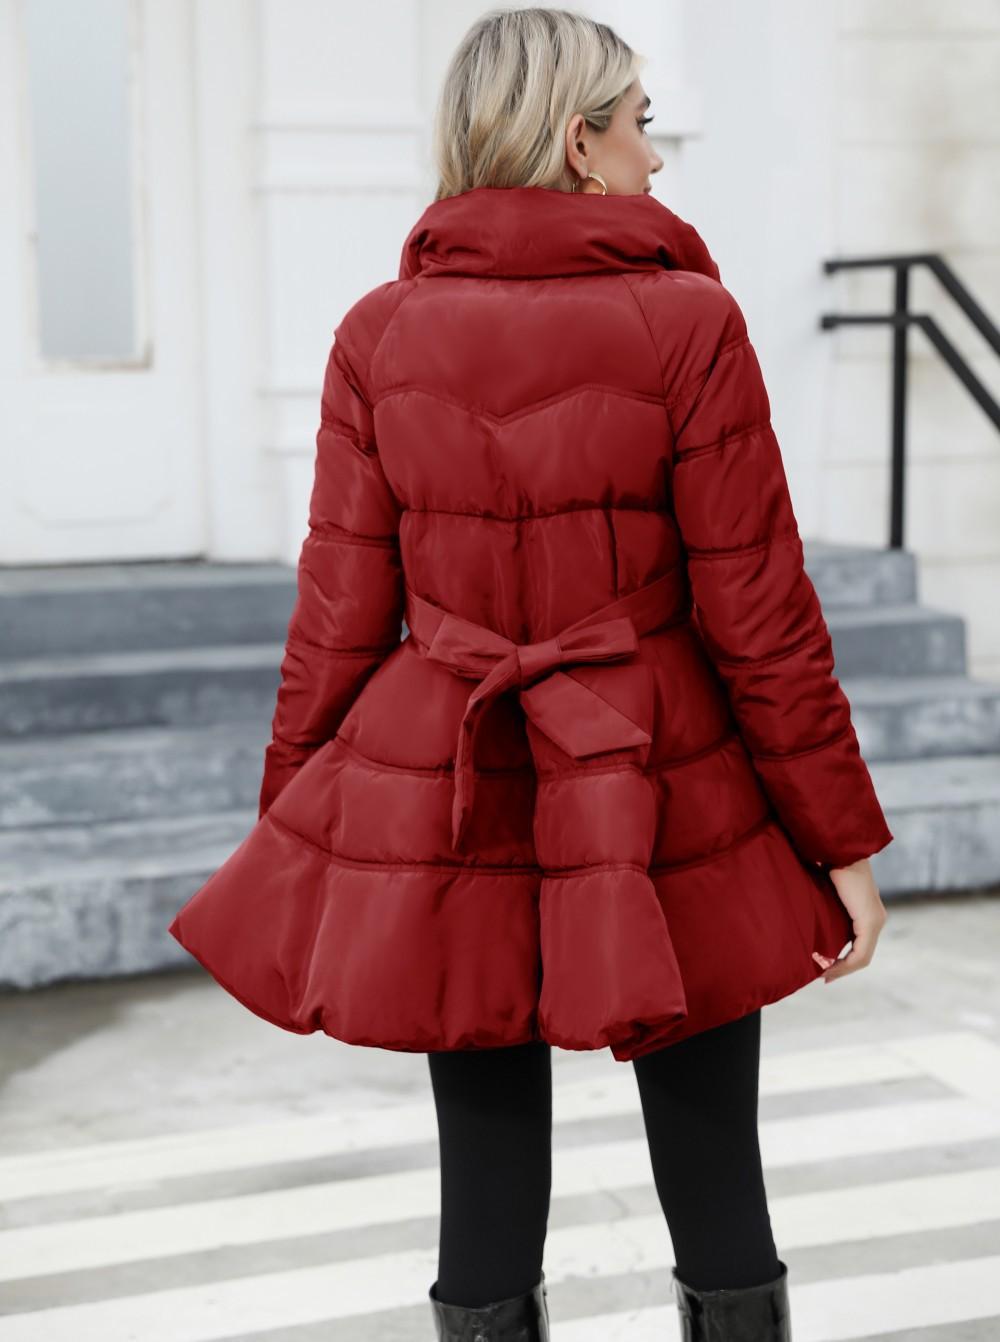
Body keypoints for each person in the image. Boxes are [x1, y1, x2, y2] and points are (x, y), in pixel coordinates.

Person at [167, 8, 894, 1339]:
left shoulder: (378, 331)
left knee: (484, 1170)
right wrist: (836, 836)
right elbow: (759, 609)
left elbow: (338, 610)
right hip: (658, 768)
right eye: (641, 127)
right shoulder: (689, 321)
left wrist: (298, 820)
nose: (656, 159)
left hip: (461, 774)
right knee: (713, 1162)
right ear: (577, 140)